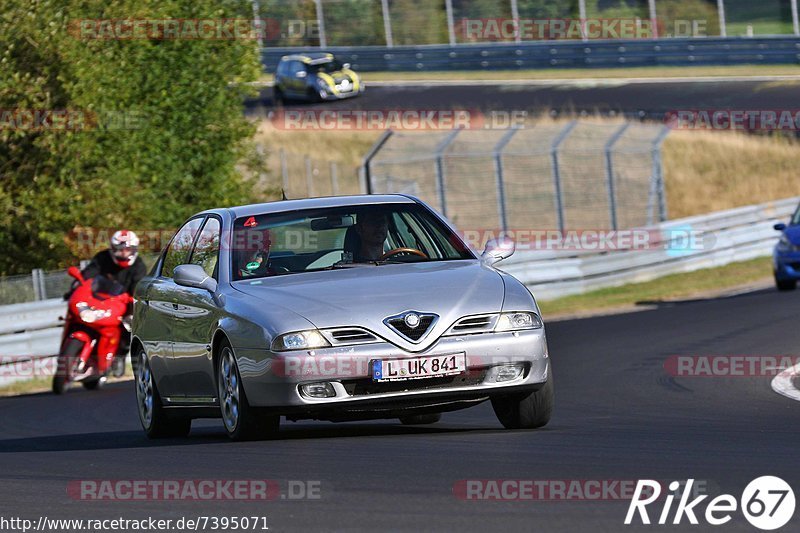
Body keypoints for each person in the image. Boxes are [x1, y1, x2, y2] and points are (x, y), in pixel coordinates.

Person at [75, 230, 147, 376]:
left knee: (129, 325)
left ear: (134, 250)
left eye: (128, 249)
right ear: (113, 249)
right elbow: (88, 273)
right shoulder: (102, 258)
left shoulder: (139, 266)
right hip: (98, 298)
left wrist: (133, 306)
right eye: (120, 250)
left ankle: (119, 356)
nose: (124, 253)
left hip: (123, 303)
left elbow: (138, 290)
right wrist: (78, 284)